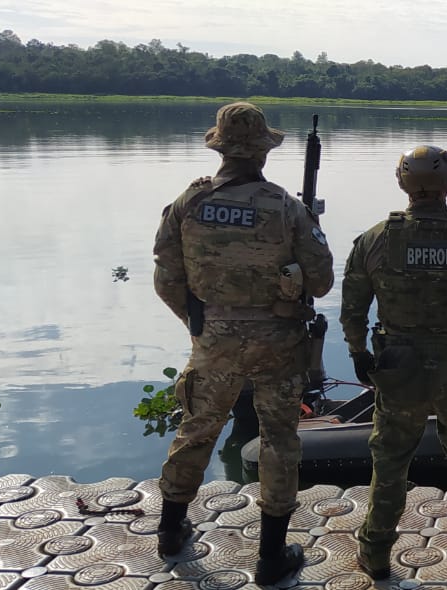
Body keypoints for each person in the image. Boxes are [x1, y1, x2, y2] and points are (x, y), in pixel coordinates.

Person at [152, 102, 334, 584]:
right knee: (279, 440)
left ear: (220, 148)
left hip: (214, 340)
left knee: (197, 430)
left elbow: (166, 276)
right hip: (279, 343)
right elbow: (321, 282)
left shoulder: (189, 202)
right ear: (263, 152)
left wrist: (200, 323)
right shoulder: (286, 207)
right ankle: (271, 557)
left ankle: (170, 532)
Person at [340, 145, 447, 580]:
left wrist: (359, 353)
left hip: (399, 369)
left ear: (402, 182)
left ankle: (375, 552)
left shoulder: (376, 238)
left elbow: (353, 308)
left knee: (390, 461)